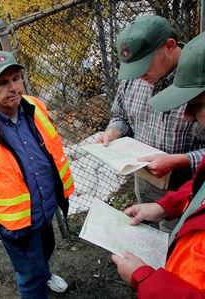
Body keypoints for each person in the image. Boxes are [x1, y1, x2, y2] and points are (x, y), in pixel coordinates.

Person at [0, 50, 75, 298]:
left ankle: (46, 273)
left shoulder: (35, 107)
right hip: (18, 225)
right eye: (3, 83)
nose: (13, 88)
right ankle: (39, 280)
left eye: (16, 78)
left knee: (47, 248)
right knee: (30, 280)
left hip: (45, 210)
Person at [111, 31, 205, 297]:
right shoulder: (131, 83)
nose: (186, 117)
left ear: (169, 47)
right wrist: (164, 207)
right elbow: (120, 117)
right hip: (155, 189)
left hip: (178, 181)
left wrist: (145, 280)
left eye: (196, 107)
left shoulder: (192, 76)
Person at [95, 15, 205, 232]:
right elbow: (121, 116)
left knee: (171, 243)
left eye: (144, 65)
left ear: (170, 46)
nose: (139, 74)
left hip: (184, 187)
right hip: (143, 180)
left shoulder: (196, 81)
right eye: (133, 69)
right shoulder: (134, 78)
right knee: (144, 234)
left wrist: (181, 161)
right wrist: (114, 131)